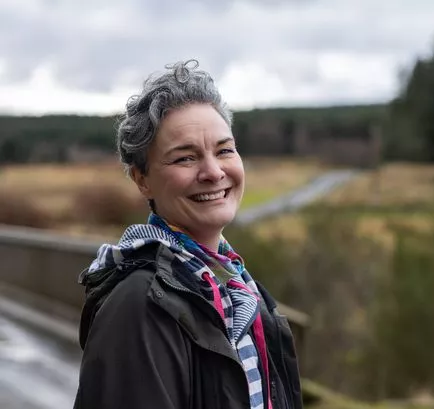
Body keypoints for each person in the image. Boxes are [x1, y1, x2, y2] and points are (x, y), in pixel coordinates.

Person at [73, 60, 302, 409]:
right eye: (185, 158)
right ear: (141, 178)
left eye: (224, 150)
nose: (213, 172)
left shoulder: (237, 287)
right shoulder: (139, 307)